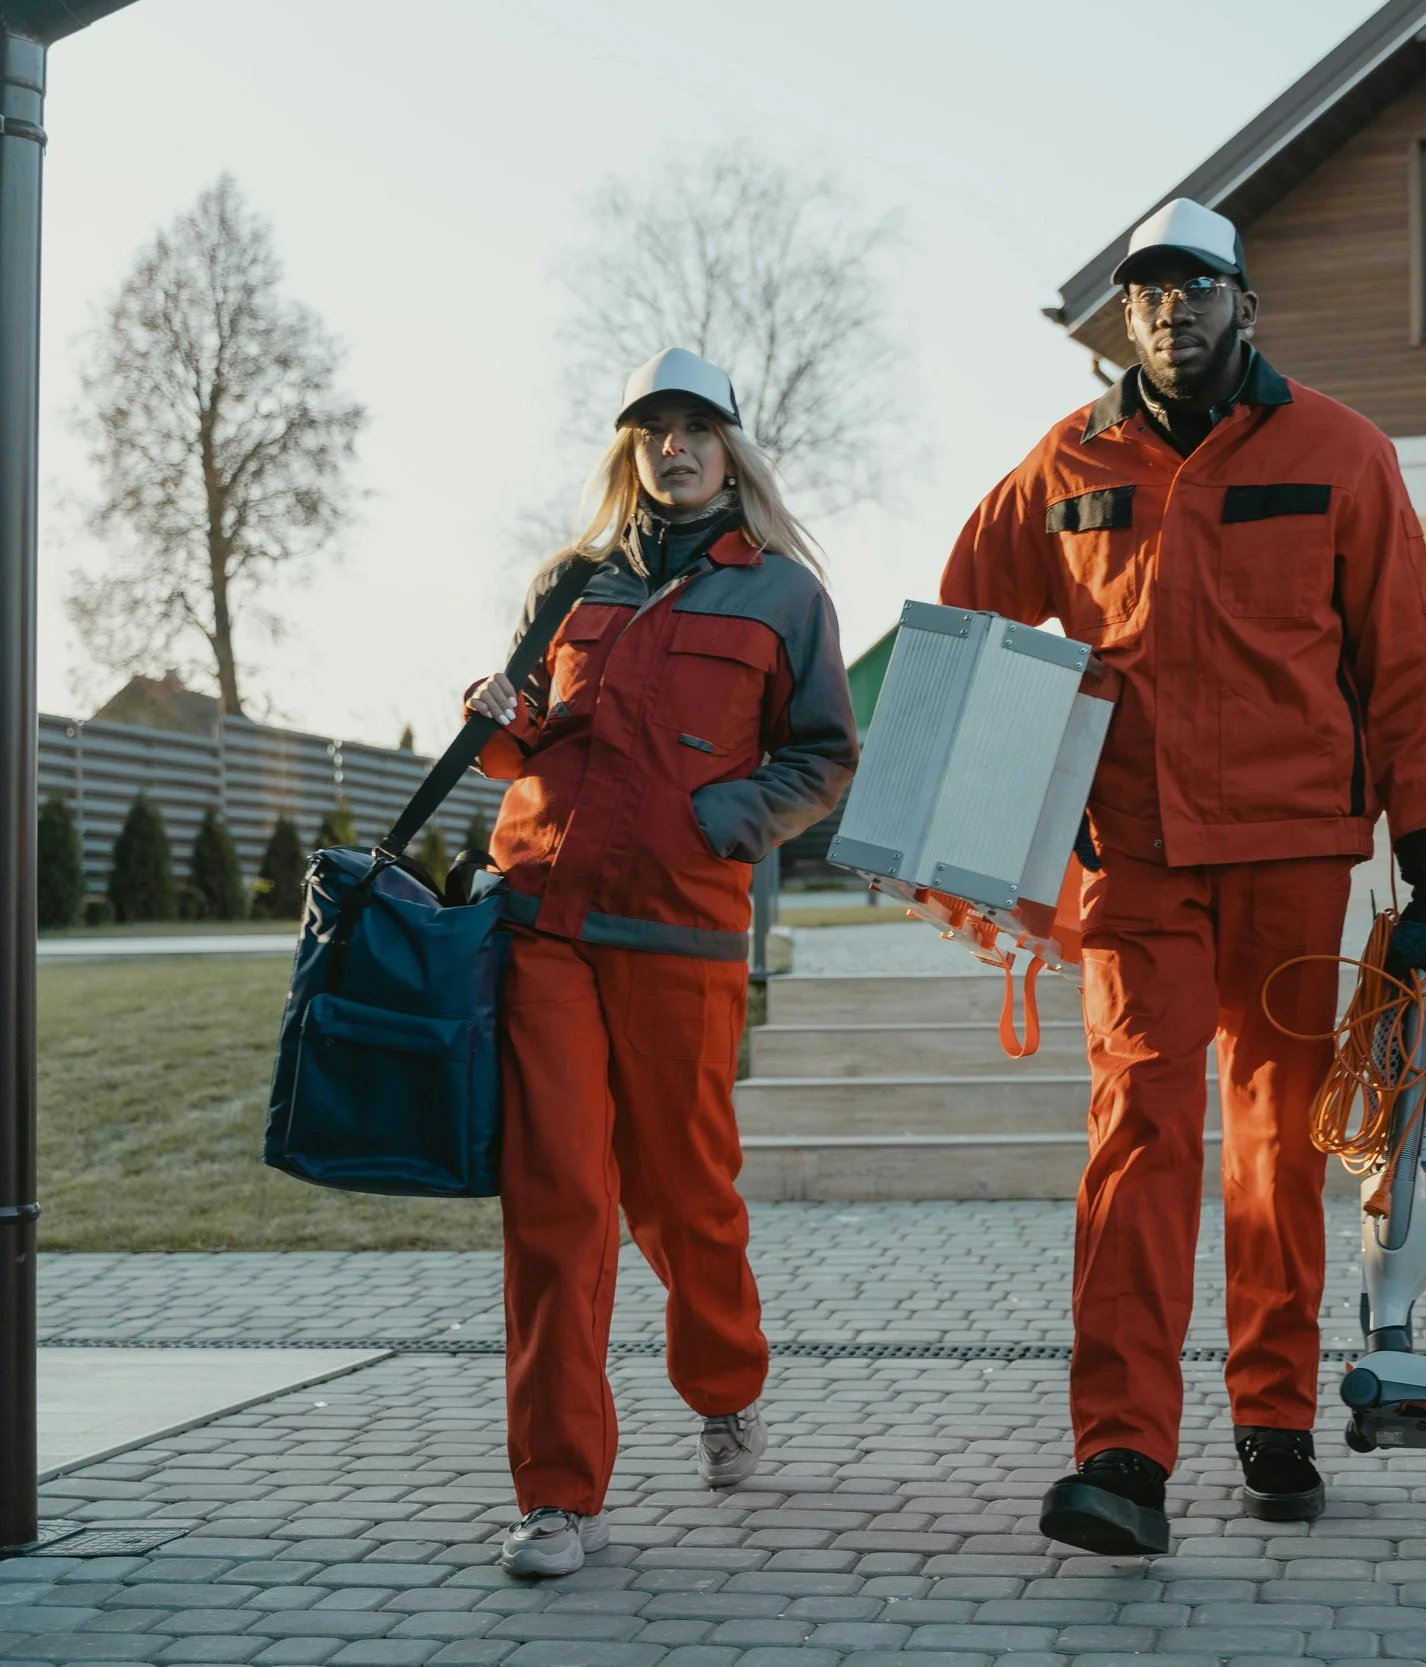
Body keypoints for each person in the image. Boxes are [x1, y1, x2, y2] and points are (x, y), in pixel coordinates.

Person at [941, 199, 1426, 1555]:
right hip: (1137, 859)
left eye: (1196, 286)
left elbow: (1407, 664)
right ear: (1125, 316)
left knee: (1277, 1142)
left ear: (1245, 300)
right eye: (1148, 293)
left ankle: (1273, 1415)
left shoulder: (1343, 454)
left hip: (1297, 852)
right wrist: (966, 845)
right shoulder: (1062, 467)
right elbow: (968, 639)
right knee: (1135, 1136)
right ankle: (1121, 1452)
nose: (1171, 310)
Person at [464, 347, 858, 1577]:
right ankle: (558, 1491)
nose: (674, 448)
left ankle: (725, 1380)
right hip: (547, 927)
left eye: (696, 428)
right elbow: (525, 737)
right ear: (628, 451)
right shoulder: (568, 584)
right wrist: (497, 714)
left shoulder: (785, 595)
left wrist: (720, 820)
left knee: (684, 1197)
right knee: (558, 1205)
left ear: (730, 449)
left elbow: (823, 755)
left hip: (680, 930)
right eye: (652, 431)